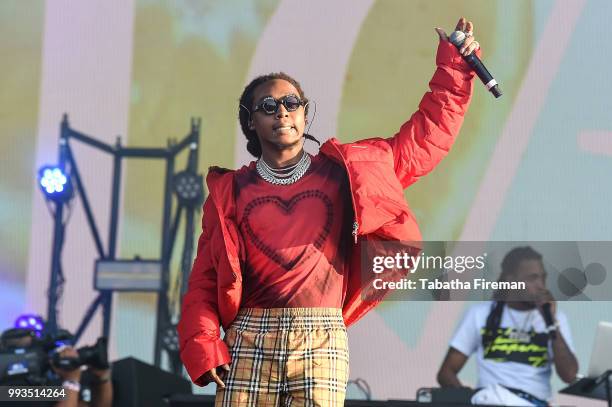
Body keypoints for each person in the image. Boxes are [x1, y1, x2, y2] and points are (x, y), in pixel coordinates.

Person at [179, 17, 481, 406]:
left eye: (292, 103)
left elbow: (425, 137)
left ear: (305, 115)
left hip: (321, 333)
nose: (282, 112)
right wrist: (203, 345)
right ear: (250, 121)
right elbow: (205, 279)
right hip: (248, 333)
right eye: (268, 106)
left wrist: (455, 68)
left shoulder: (347, 173)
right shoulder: (230, 191)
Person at [437, 247, 579, 406]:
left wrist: (551, 323)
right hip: (490, 401)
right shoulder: (480, 314)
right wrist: (469, 400)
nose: (541, 285)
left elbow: (570, 375)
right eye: (532, 278)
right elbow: (446, 373)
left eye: (542, 278)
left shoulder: (556, 318)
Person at [0, 328, 112, 407]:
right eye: (33, 348)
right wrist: (71, 382)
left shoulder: (43, 389)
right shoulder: (8, 393)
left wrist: (102, 378)